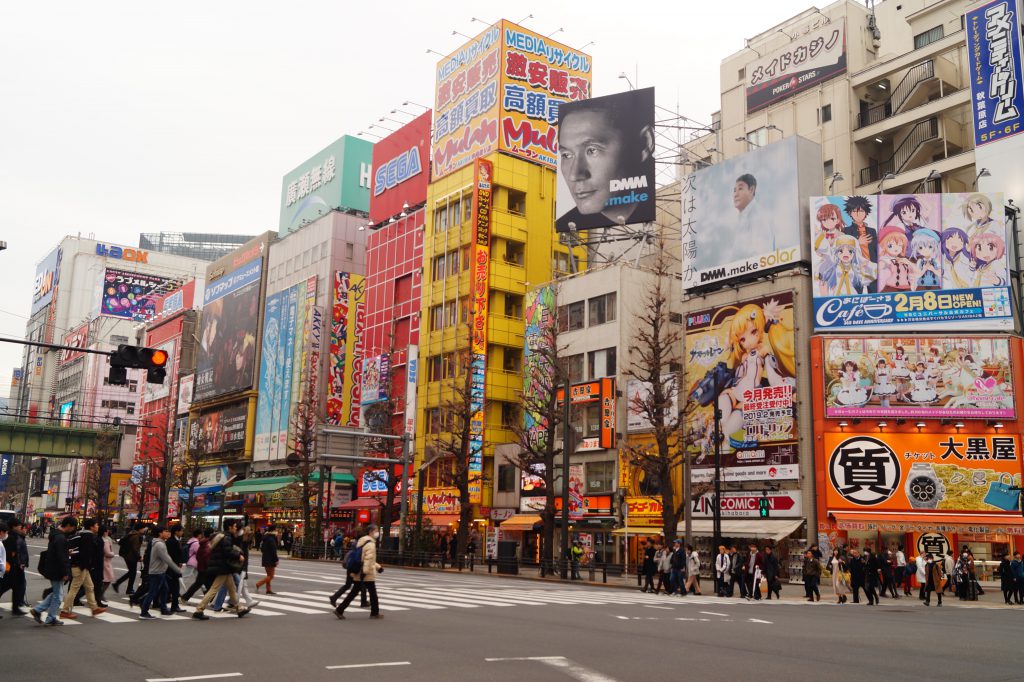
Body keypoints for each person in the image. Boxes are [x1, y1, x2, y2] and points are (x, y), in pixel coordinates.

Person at [555, 89, 656, 232]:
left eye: (592, 150)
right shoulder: (567, 222)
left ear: (644, 143)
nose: (574, 174)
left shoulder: (661, 208)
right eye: (566, 155)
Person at [192, 520, 251, 620]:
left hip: (223, 567)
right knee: (214, 589)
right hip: (222, 567)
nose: (236, 528)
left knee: (232, 589)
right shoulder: (226, 538)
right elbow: (227, 551)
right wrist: (238, 555)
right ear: (230, 527)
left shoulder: (223, 536)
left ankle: (239, 608)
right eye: (235, 526)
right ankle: (199, 610)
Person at [31, 516, 77, 626]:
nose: (73, 530)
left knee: (56, 593)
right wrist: (65, 572)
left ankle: (38, 610)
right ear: (69, 526)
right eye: (73, 527)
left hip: (52, 568)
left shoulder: (55, 535)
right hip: (57, 570)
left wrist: (66, 552)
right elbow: (61, 557)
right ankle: (50, 617)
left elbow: (59, 553)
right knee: (58, 595)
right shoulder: (61, 538)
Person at [60, 517, 106, 619]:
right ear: (91, 527)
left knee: (89, 587)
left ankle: (94, 608)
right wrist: (86, 566)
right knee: (74, 589)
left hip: (81, 566)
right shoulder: (88, 536)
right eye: (96, 525)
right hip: (80, 567)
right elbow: (86, 554)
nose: (98, 526)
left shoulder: (81, 534)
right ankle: (65, 611)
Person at [335, 524, 382, 620]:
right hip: (366, 573)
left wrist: (378, 567)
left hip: (359, 571)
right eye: (376, 530)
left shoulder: (362, 542)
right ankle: (374, 613)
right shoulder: (370, 544)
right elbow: (368, 559)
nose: (378, 533)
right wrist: (365, 571)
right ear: (371, 532)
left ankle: (340, 610)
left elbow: (365, 558)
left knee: (354, 592)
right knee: (373, 593)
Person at [139, 526, 181, 620]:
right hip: (157, 572)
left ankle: (163, 609)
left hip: (159, 571)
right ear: (160, 533)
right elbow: (167, 559)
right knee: (153, 592)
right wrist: (177, 570)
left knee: (164, 589)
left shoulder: (159, 543)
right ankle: (144, 611)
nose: (168, 533)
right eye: (165, 531)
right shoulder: (160, 545)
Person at [0, 518, 26, 615]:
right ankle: (16, 608)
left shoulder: (13, 536)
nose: (21, 527)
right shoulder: (10, 537)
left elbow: (16, 552)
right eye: (19, 526)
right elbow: (12, 553)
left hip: (12, 566)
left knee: (16, 586)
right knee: (4, 587)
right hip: (7, 567)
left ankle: (16, 608)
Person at [182, 529, 214, 601]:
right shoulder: (197, 543)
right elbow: (200, 553)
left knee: (200, 581)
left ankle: (208, 595)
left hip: (197, 563)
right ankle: (180, 592)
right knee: (187, 578)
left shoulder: (192, 541)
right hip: (195, 563)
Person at [113, 523, 143, 594]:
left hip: (127, 556)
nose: (144, 530)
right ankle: (125, 587)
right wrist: (139, 557)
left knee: (132, 572)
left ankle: (125, 587)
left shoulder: (131, 533)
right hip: (131, 557)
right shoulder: (136, 536)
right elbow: (135, 548)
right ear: (140, 529)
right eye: (143, 528)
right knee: (132, 572)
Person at [164, 524, 186, 613]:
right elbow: (172, 555)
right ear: (176, 532)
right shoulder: (172, 541)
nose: (182, 532)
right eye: (181, 530)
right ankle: (174, 606)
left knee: (169, 588)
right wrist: (178, 564)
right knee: (174, 588)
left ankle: (173, 605)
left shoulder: (174, 540)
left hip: (173, 567)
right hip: (172, 567)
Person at [256, 526, 280, 594]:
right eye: (276, 530)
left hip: (265, 558)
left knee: (268, 575)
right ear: (273, 531)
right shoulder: (271, 539)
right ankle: (259, 584)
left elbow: (262, 549)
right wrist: (276, 559)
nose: (277, 531)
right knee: (271, 576)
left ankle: (268, 589)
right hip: (271, 559)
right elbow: (273, 551)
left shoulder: (266, 538)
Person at [98, 525, 115, 607]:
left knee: (102, 580)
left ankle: (99, 595)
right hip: (105, 562)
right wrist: (113, 554)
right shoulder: (106, 541)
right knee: (107, 580)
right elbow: (108, 553)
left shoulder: (98, 539)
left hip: (100, 561)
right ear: (105, 532)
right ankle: (99, 595)